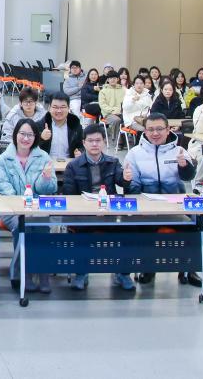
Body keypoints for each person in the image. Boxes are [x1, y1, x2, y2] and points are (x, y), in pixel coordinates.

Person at [125, 113, 203, 287]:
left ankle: (189, 267)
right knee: (137, 228)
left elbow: (188, 177)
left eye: (159, 129)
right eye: (150, 129)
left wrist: (184, 166)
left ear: (168, 130)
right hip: (147, 208)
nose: (155, 133)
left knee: (200, 225)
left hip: (175, 208)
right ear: (145, 131)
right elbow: (132, 186)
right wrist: (137, 199)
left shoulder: (179, 151)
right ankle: (148, 267)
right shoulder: (135, 153)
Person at [61, 124, 135, 291]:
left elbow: (122, 183)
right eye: (90, 141)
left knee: (128, 230)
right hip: (83, 215)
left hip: (109, 213)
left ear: (103, 142)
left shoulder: (112, 162)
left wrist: (126, 178)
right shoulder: (73, 166)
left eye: (98, 140)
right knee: (81, 234)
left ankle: (122, 273)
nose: (94, 144)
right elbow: (69, 195)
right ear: (84, 143)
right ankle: (81, 272)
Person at [0, 118, 56, 293]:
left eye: (30, 135)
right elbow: (5, 190)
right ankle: (24, 272)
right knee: (24, 226)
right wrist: (23, 208)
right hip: (11, 209)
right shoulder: (4, 159)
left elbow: (50, 189)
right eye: (22, 134)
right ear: (15, 134)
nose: (26, 138)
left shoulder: (43, 157)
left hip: (37, 208)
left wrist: (45, 178)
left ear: (35, 137)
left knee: (42, 227)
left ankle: (42, 272)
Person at [37, 92, 83, 161]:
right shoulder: (40, 125)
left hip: (69, 164)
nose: (59, 111)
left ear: (68, 108)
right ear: (49, 108)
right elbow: (30, 148)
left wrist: (80, 152)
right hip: (46, 164)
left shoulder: (75, 125)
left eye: (63, 107)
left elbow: (82, 145)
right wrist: (41, 138)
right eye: (55, 107)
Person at [96, 70, 125, 144]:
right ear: (108, 80)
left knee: (127, 119)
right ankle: (117, 140)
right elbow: (102, 105)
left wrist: (120, 111)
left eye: (114, 78)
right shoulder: (103, 91)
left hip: (121, 112)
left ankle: (125, 139)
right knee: (116, 120)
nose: (112, 80)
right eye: (110, 78)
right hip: (108, 114)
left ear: (117, 79)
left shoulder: (123, 90)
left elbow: (125, 103)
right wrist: (113, 110)